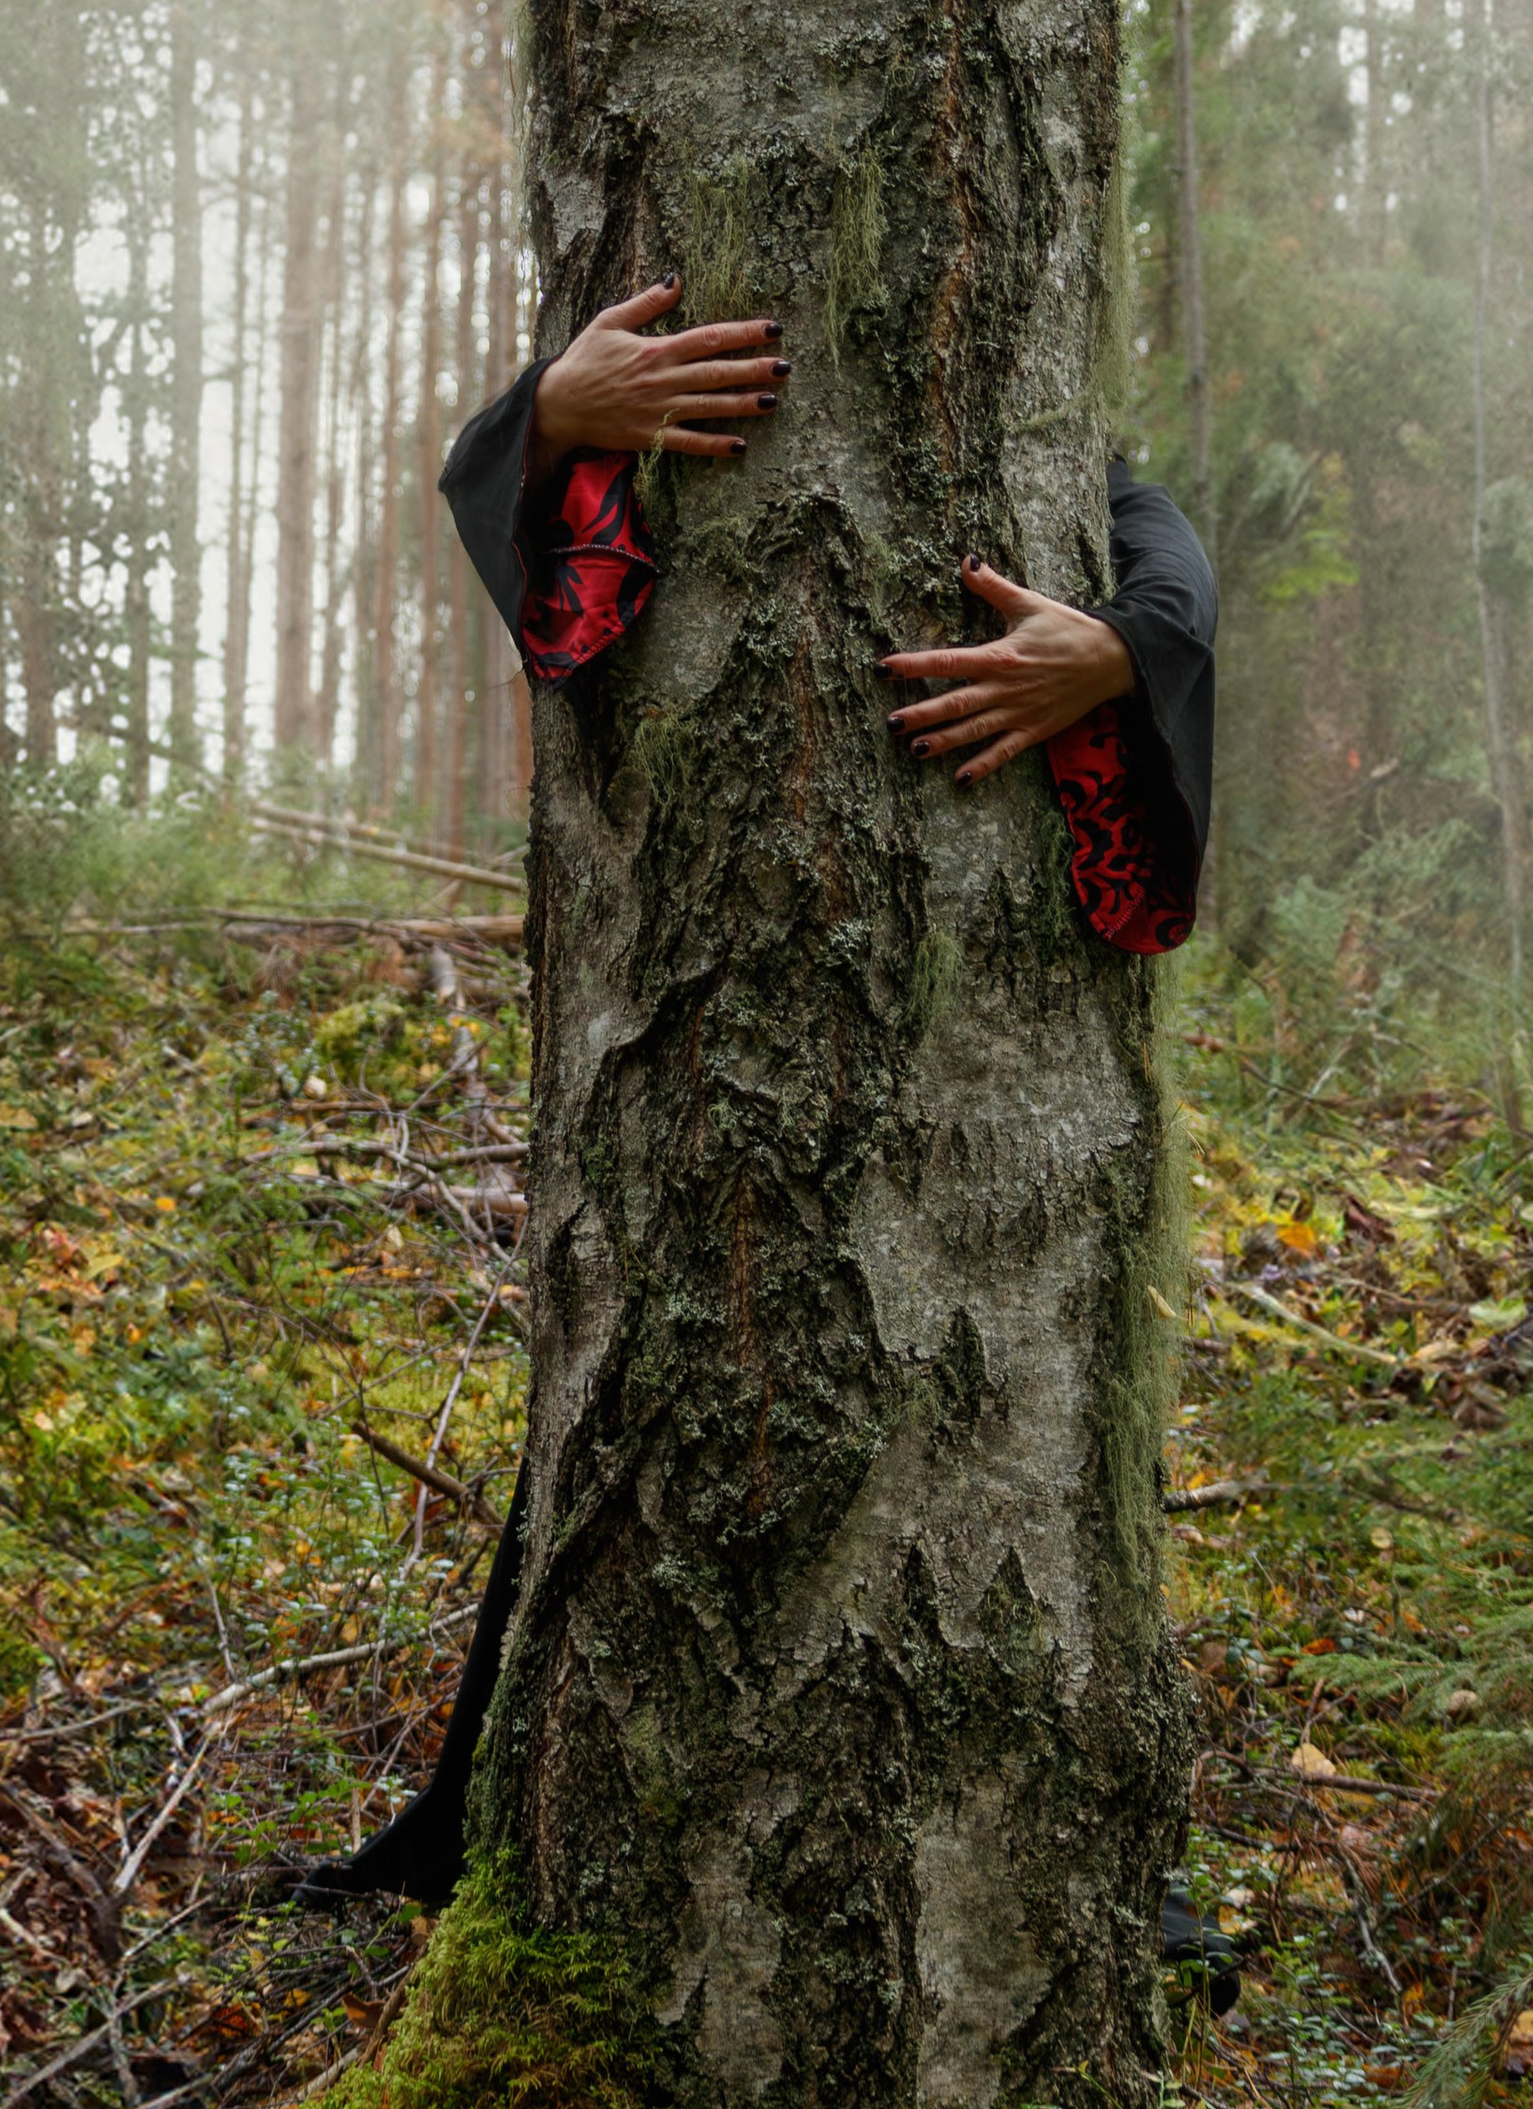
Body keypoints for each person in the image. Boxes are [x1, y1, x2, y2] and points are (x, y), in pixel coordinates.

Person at [296, 281, 1217, 1910]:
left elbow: (1176, 583)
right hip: (695, 1071)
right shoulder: (618, 406)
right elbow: (514, 514)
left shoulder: (1079, 479)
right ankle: (484, 1821)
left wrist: (1118, 655)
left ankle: (1080, 1882)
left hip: (981, 1137)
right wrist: (542, 420)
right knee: (635, 1419)